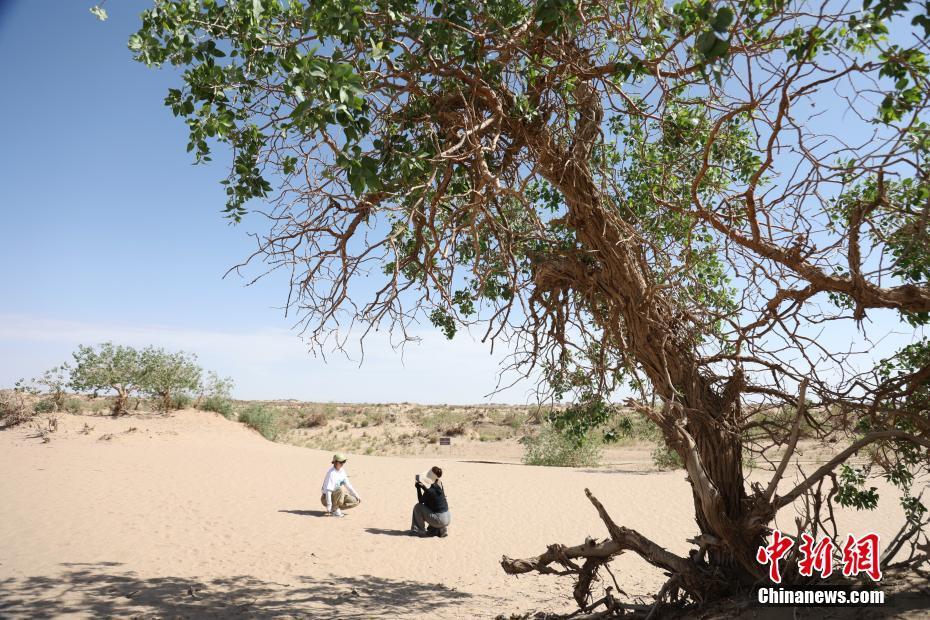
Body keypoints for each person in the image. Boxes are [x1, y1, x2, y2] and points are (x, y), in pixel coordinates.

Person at [411, 466, 451, 537]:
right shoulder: (440, 485)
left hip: (440, 519)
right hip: (447, 517)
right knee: (429, 505)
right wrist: (423, 487)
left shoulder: (430, 491)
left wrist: (418, 488)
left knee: (418, 507)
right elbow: (433, 495)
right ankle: (440, 529)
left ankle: (419, 531)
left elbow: (420, 501)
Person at [320, 453, 361, 517]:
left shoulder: (342, 471)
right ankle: (334, 509)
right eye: (341, 462)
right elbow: (328, 491)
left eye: (344, 462)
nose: (342, 464)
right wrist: (329, 505)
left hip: (338, 495)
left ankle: (335, 508)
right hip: (326, 498)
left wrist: (356, 495)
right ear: (335, 462)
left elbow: (348, 485)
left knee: (355, 501)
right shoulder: (331, 473)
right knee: (341, 488)